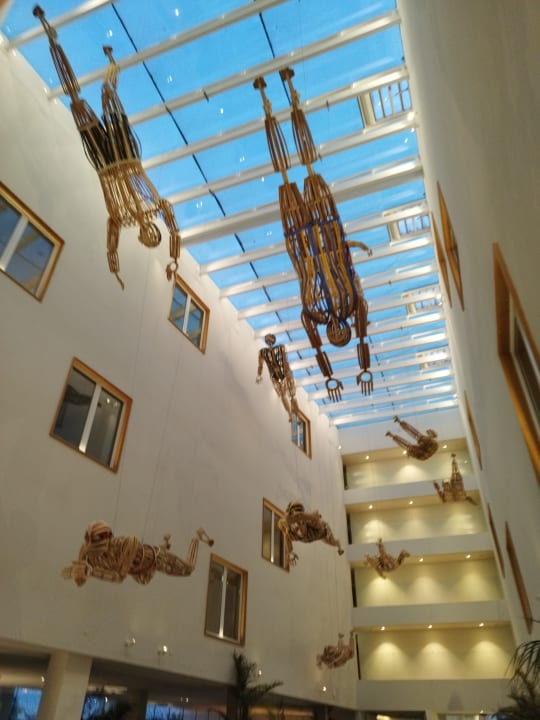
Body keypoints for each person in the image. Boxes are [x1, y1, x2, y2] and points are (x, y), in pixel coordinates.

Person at [62, 522, 213, 586]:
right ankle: (164, 544)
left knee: (189, 569)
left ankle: (197, 538)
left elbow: (119, 577)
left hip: (155, 559)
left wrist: (90, 572)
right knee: (144, 580)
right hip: (140, 573)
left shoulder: (126, 543)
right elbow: (80, 580)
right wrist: (79, 573)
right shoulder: (88, 553)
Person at [278, 501, 344, 566]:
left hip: (323, 532)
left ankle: (339, 546)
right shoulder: (292, 533)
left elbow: (317, 520)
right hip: (311, 531)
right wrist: (290, 552)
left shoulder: (312, 524)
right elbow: (285, 533)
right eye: (297, 528)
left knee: (332, 542)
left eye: (302, 524)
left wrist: (306, 517)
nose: (300, 530)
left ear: (305, 523)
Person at [256, 334, 298, 420]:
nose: (268, 341)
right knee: (283, 395)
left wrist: (288, 372)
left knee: (292, 394)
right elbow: (260, 365)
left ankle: (296, 413)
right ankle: (289, 414)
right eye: (266, 339)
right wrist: (259, 375)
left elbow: (285, 360)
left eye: (270, 339)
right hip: (274, 375)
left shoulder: (280, 348)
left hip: (285, 373)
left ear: (273, 339)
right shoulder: (262, 352)